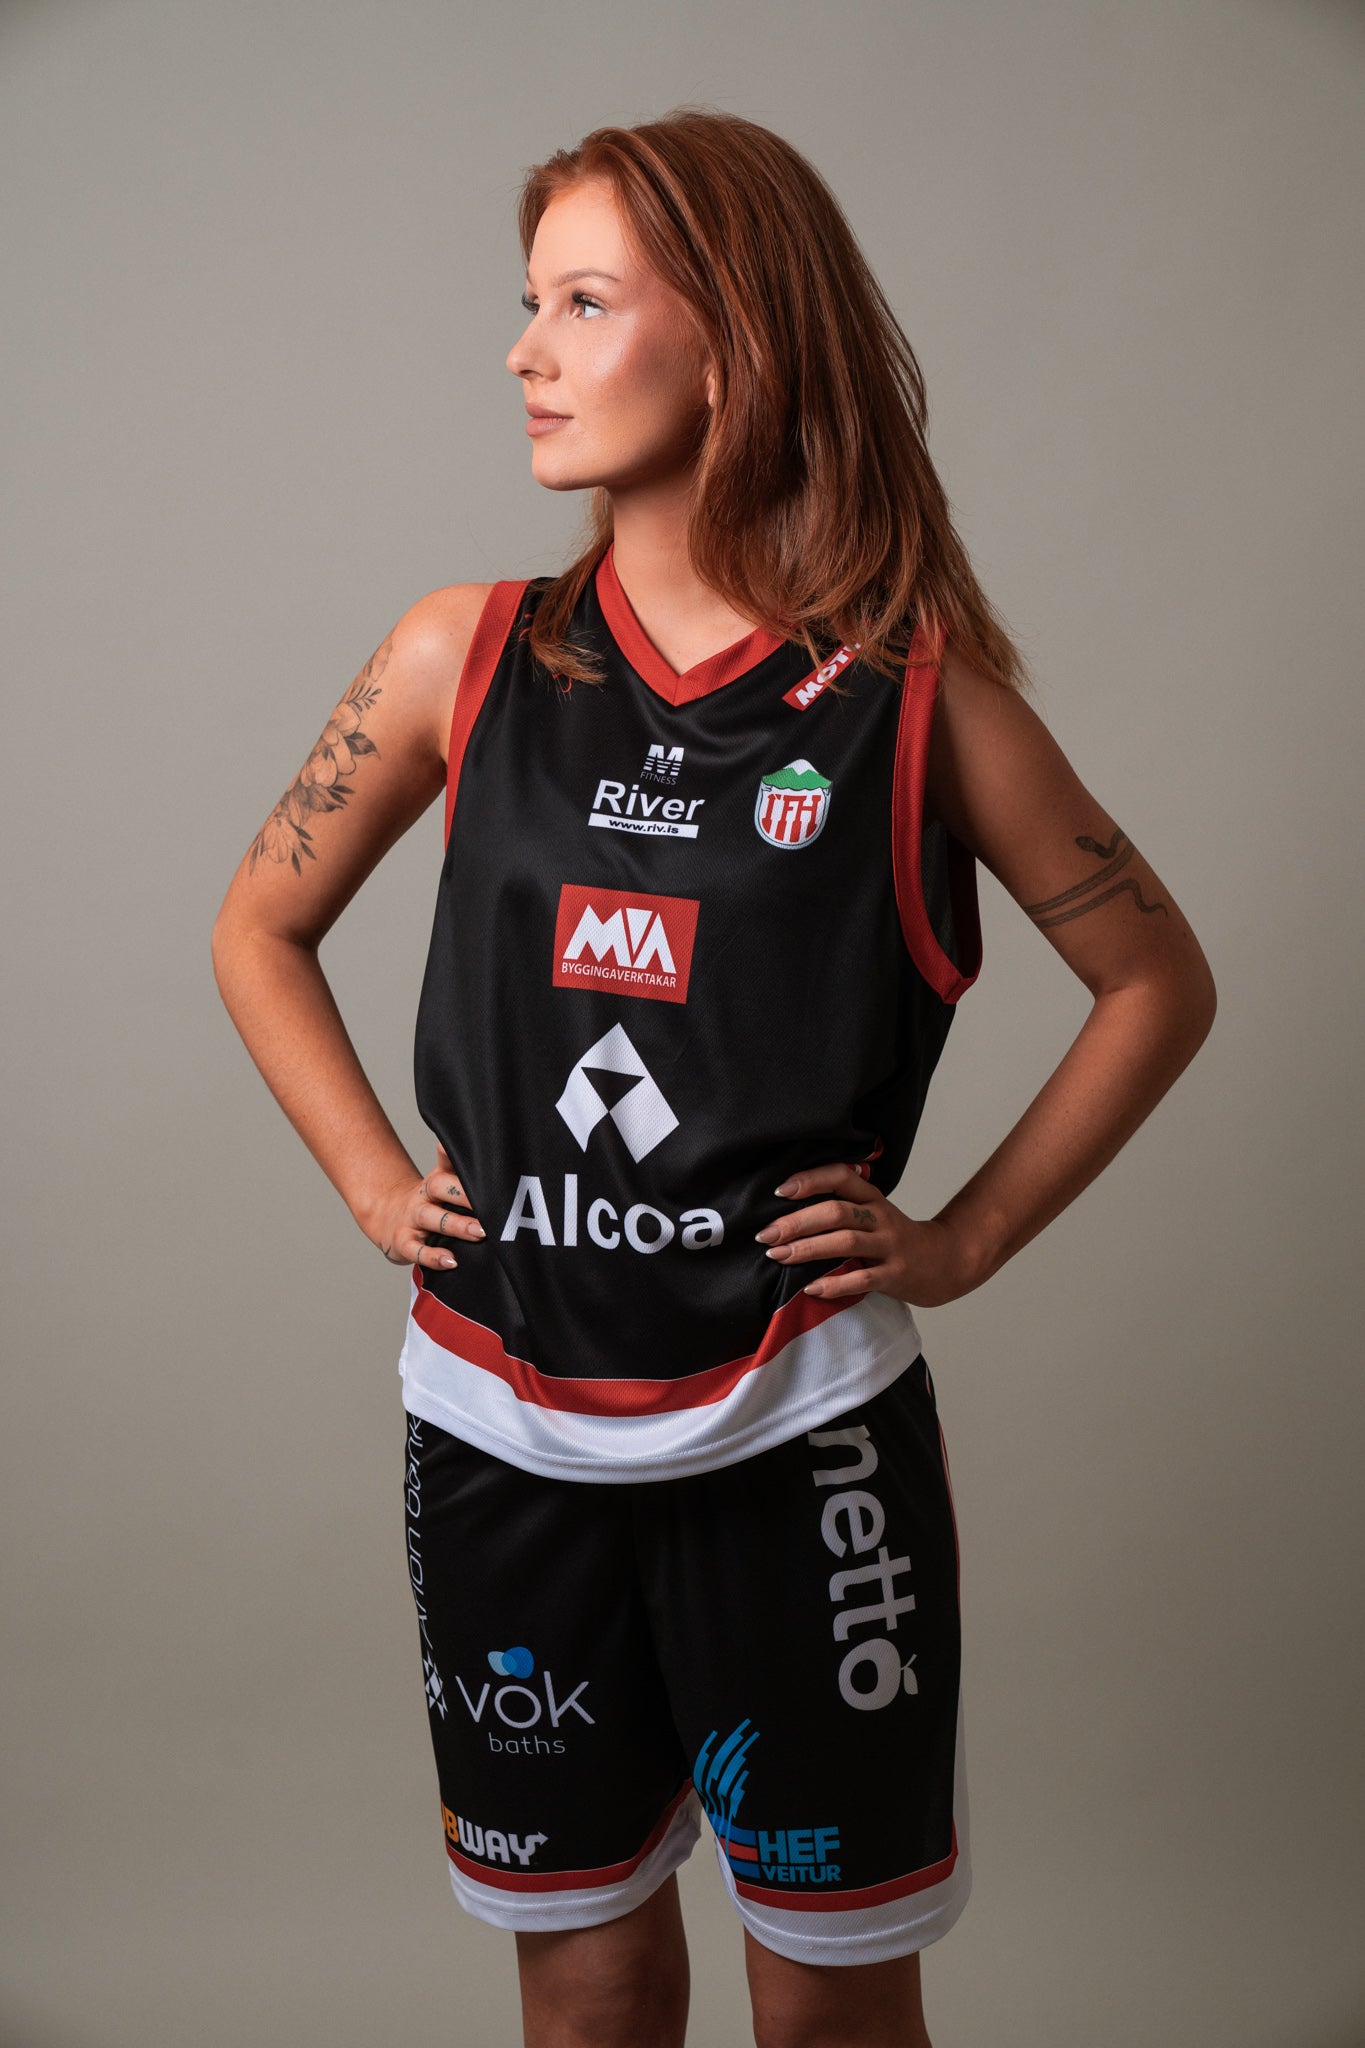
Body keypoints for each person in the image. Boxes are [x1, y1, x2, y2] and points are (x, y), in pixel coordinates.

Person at [212, 107, 1216, 2048]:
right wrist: (369, 1179)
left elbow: (1152, 977)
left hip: (797, 1439)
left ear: (737, 339)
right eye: (530, 303)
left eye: (583, 303)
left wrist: (963, 1238)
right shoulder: (457, 656)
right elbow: (258, 923)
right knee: (588, 1996)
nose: (525, 349)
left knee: (827, 2012)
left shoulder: (912, 703)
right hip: (499, 1433)